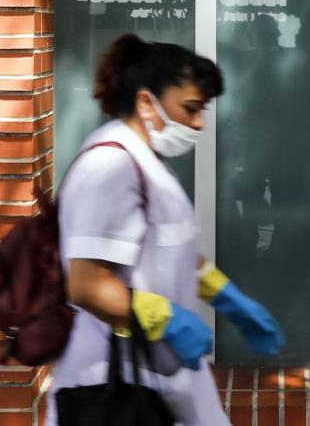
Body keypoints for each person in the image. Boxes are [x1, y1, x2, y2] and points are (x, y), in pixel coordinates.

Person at [49, 34, 285, 426]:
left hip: (160, 382)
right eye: (191, 109)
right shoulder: (111, 167)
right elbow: (87, 285)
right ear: (146, 102)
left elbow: (167, 249)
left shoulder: (146, 163)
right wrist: (169, 320)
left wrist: (226, 296)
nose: (199, 123)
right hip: (115, 386)